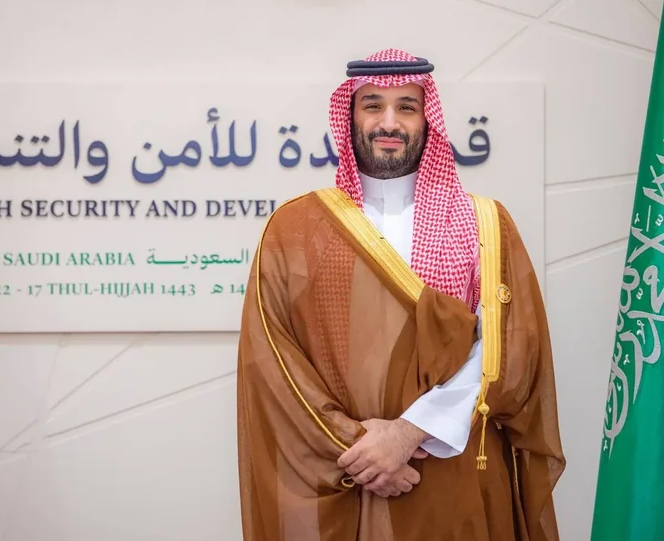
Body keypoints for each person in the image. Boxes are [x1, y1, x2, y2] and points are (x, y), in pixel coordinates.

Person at [235, 48, 566, 541]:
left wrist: (408, 433)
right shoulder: (295, 229)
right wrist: (361, 447)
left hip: (454, 478)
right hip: (345, 475)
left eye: (406, 107)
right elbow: (275, 363)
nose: (388, 122)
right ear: (349, 116)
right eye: (372, 105)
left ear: (427, 119)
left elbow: (508, 349)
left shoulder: (483, 223)